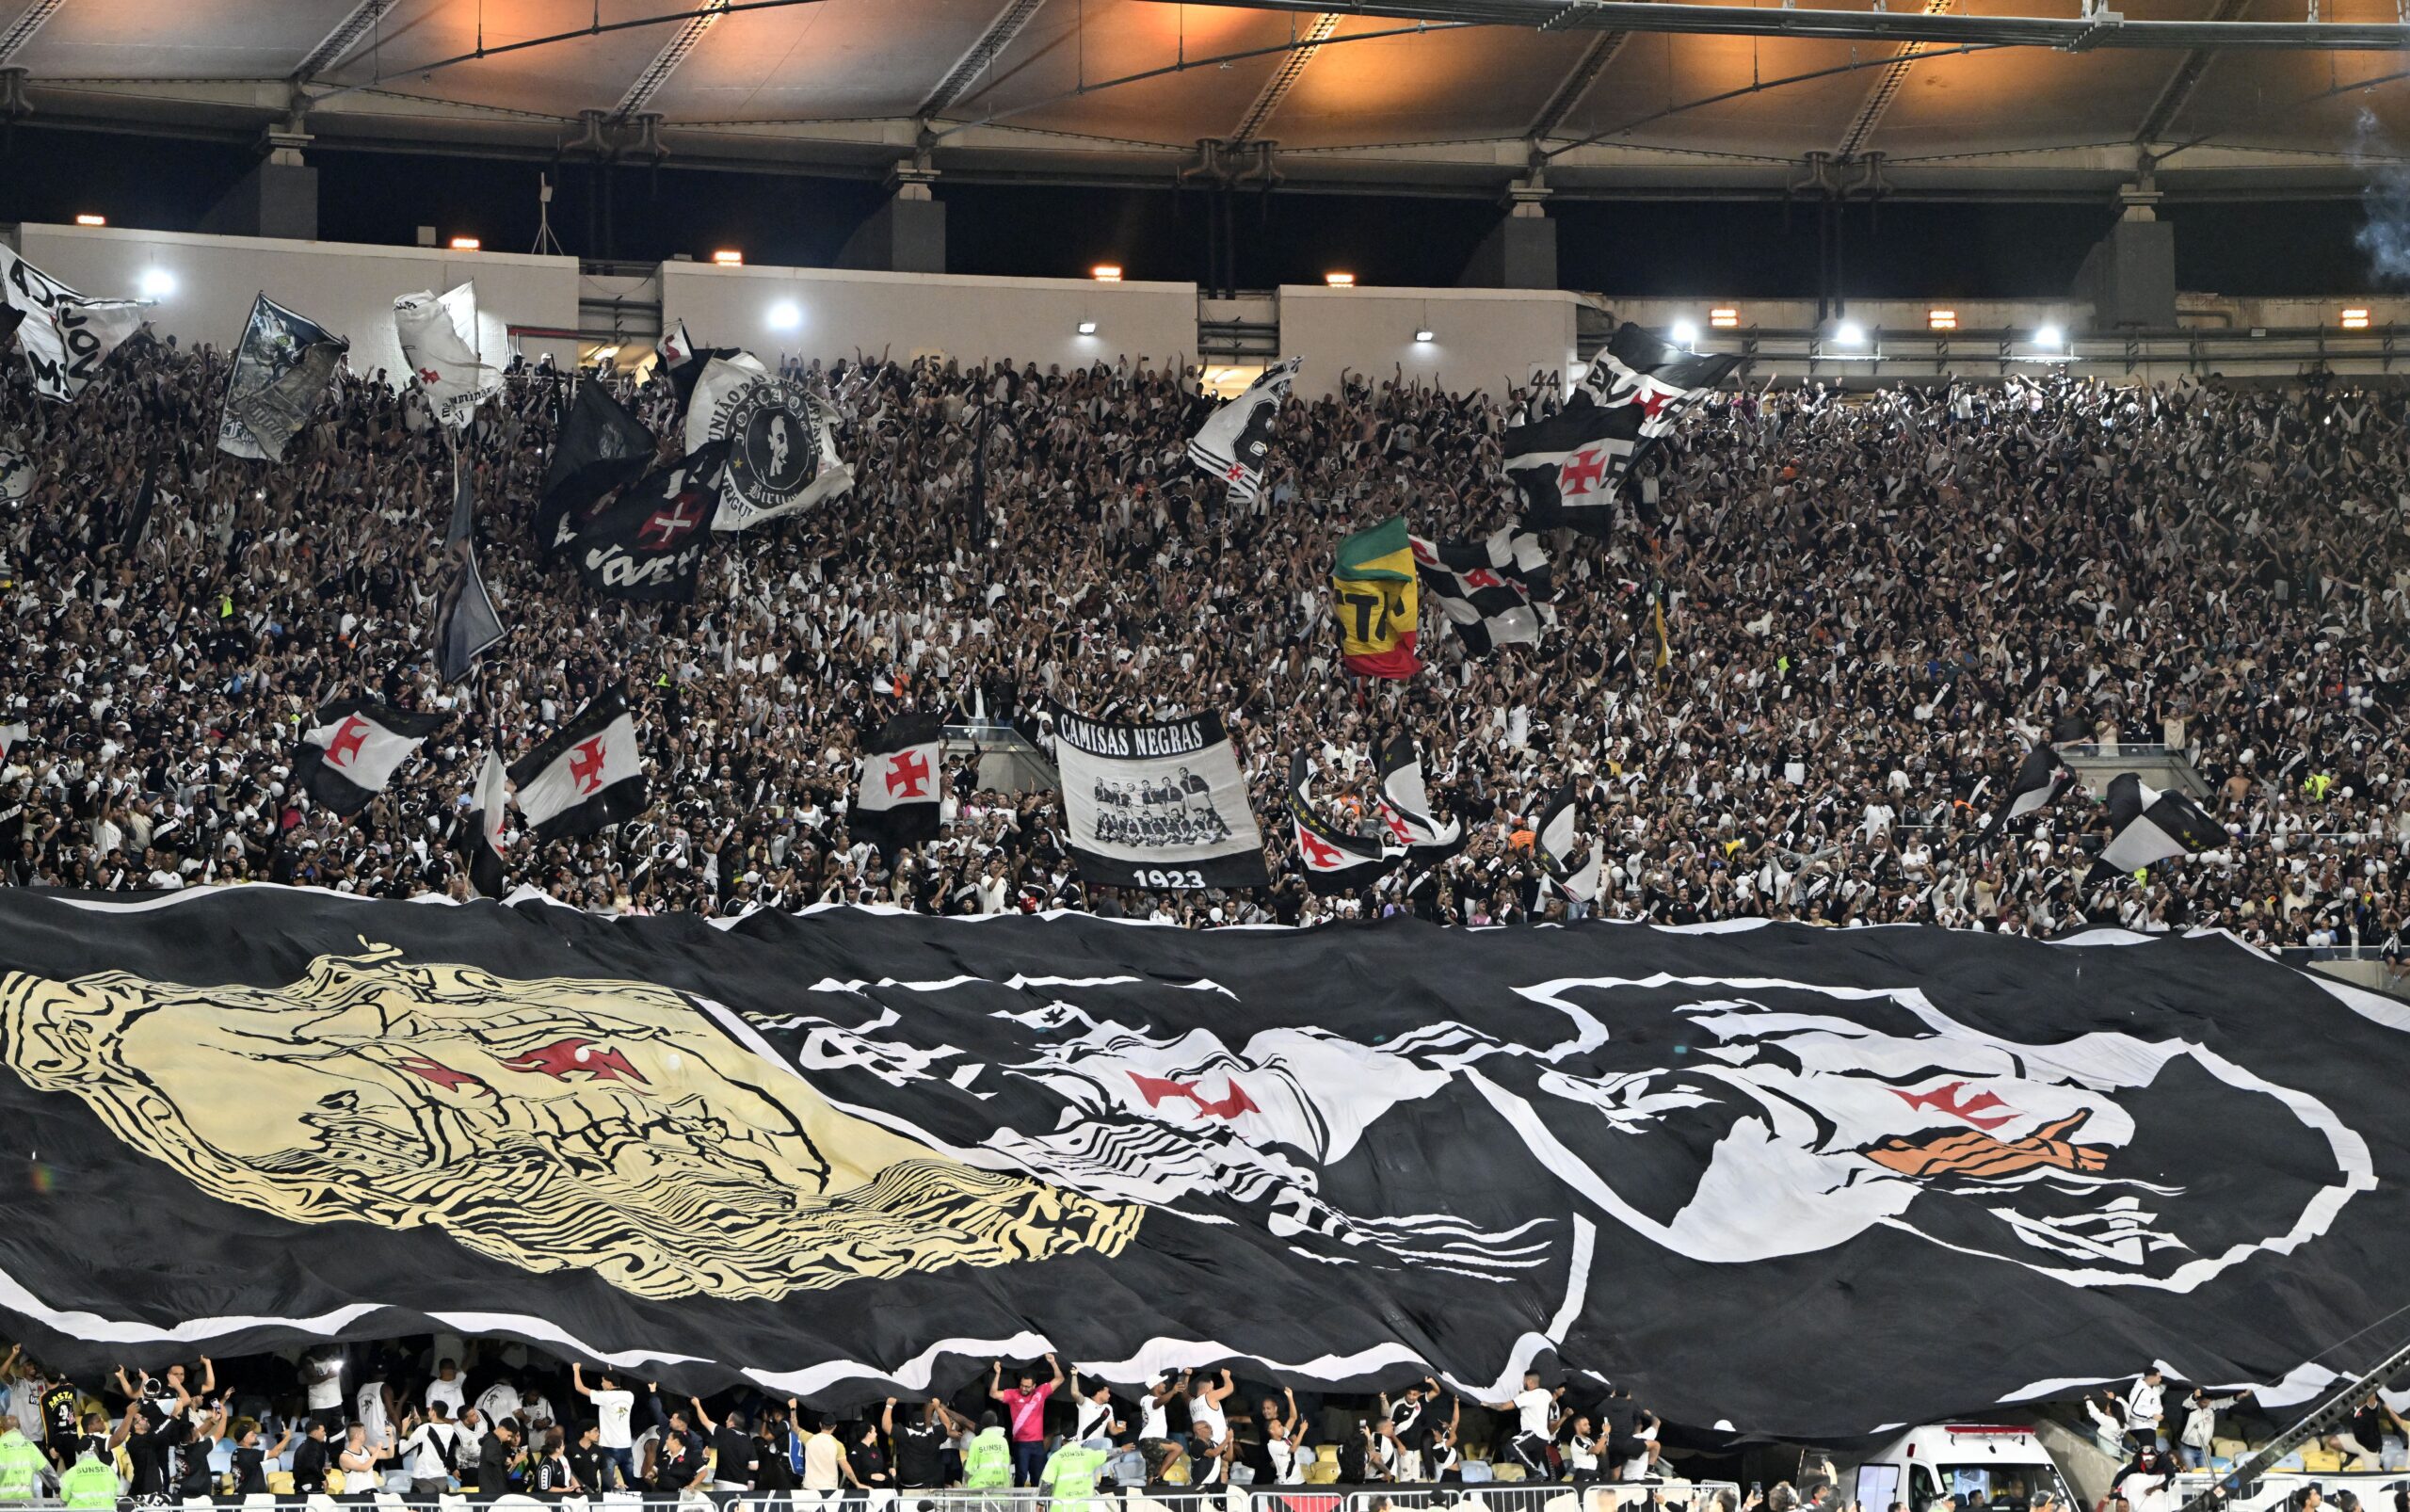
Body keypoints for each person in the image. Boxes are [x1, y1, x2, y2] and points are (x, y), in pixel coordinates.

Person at [990, 1352, 1064, 1487]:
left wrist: (1053, 1362)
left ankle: (1036, 1506)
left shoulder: (1041, 1392)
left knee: (1037, 1478)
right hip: (1021, 1444)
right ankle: (1018, 1506)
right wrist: (997, 1374)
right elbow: (993, 1394)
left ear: (1034, 1386)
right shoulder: (1013, 1394)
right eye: (1022, 1385)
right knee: (1021, 1476)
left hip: (1038, 1444)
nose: (1024, 1388)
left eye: (1027, 1386)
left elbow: (1059, 1379)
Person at [1489, 1372, 1566, 1481]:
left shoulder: (1527, 1396)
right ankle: (1535, 1480)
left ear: (1529, 1381)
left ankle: (1535, 1472)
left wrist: (1485, 1403)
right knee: (1531, 1477)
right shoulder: (1545, 1393)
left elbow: (1503, 1407)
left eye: (1524, 1380)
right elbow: (1552, 1403)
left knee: (1512, 1445)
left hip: (1533, 1433)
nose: (1523, 1382)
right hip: (1543, 1439)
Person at [571, 1363, 636, 1489]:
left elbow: (579, 1387)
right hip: (626, 1447)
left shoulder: (605, 1397)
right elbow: (615, 1387)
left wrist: (576, 1369)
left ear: (609, 1383)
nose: (601, 1384)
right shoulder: (629, 1395)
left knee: (608, 1485)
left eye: (603, 1381)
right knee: (631, 1484)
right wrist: (610, 1371)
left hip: (609, 1449)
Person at [893, 1397, 961, 1489]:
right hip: (941, 1456)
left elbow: (953, 1429)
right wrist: (936, 1406)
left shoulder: (909, 1434)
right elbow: (946, 1426)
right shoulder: (932, 1431)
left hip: (950, 1453)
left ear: (910, 1424)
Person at [229, 1415, 296, 1497]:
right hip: (250, 1500)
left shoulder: (237, 1452)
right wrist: (288, 1437)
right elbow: (276, 1452)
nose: (256, 1435)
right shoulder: (249, 1454)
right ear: (245, 1439)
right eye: (252, 1434)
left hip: (242, 1496)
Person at [55, 1436, 119, 1512]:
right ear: (94, 1450)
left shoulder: (71, 1473)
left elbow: (64, 1498)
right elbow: (116, 1492)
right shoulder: (109, 1471)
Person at [0, 1414, 48, 1503]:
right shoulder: (30, 1445)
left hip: (3, 1500)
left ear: (2, 1427)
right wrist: (57, 1488)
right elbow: (46, 1471)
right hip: (27, 1499)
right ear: (19, 1426)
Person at [961, 1410, 1014, 1489]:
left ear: (982, 1424)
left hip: (980, 1491)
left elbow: (969, 1468)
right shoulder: (1003, 1441)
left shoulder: (976, 1441)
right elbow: (1007, 1464)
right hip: (1001, 1491)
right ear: (996, 1423)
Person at [291, 1417, 334, 1497]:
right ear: (315, 1433)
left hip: (300, 1487)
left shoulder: (303, 1445)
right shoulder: (314, 1446)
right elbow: (312, 1465)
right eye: (322, 1431)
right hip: (311, 1486)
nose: (325, 1433)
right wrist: (323, 1479)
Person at [476, 1416, 518, 1496]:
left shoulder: (493, 1441)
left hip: (493, 1487)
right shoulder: (492, 1442)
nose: (509, 1439)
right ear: (502, 1429)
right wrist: (505, 1459)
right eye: (509, 1435)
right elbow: (491, 1458)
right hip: (491, 1490)